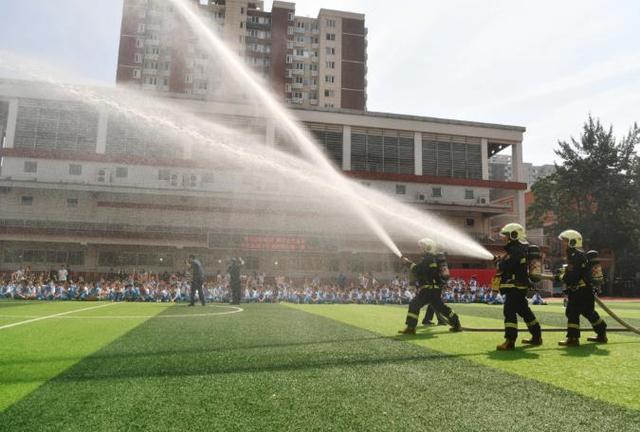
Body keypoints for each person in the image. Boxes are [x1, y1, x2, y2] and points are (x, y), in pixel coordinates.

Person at [494, 223, 542, 351]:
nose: (503, 238)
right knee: (525, 312)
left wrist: (499, 263)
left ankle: (509, 341)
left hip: (514, 287)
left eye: (506, 235)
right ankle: (537, 336)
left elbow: (506, 266)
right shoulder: (518, 249)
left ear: (513, 235)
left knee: (509, 311)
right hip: (518, 287)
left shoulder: (515, 250)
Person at [398, 238, 462, 334]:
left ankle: (411, 328)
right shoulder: (434, 258)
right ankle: (457, 324)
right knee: (441, 308)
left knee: (414, 304)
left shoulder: (429, 258)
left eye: (422, 247)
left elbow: (418, 270)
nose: (420, 249)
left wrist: (407, 262)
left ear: (428, 248)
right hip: (435, 289)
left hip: (428, 289)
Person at [556, 229, 607, 346]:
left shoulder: (575, 256)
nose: (562, 244)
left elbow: (573, 277)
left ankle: (573, 339)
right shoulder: (577, 255)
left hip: (579, 292)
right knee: (588, 312)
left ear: (572, 242)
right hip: (586, 291)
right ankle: (602, 332)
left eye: (564, 241)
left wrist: (561, 277)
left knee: (572, 312)